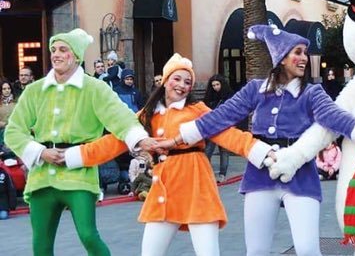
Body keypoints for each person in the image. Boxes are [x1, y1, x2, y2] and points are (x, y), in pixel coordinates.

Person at [172, 25, 355, 256]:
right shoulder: (255, 90)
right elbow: (221, 116)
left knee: (307, 249)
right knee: (257, 250)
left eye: (304, 53)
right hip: (259, 175)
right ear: (280, 56)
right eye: (297, 52)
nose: (304, 59)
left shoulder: (312, 92)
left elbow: (334, 116)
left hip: (301, 175)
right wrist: (178, 139)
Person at [63, 53, 266, 255]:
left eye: (188, 82)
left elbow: (227, 134)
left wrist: (259, 151)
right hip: (164, 190)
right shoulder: (148, 114)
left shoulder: (197, 110)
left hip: (197, 186)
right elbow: (116, 141)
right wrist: (71, 156)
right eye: (176, 79)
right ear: (165, 80)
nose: (182, 85)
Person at [4, 28, 155, 256]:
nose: (56, 54)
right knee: (41, 244)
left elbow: (121, 118)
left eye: (63, 50)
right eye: (53, 49)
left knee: (88, 236)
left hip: (79, 175)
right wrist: (41, 152)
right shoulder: (35, 91)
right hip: (42, 177)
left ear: (75, 56)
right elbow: (13, 131)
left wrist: (141, 140)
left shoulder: (95, 88)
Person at [203, 74, 234, 183]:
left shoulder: (229, 97)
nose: (215, 87)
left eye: (217, 84)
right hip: (212, 127)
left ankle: (222, 175)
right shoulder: (210, 97)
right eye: (213, 85)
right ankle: (205, 173)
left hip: (225, 127)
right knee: (208, 151)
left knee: (224, 152)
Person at [0, 79, 16, 150]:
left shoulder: (16, 102)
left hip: (15, 132)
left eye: (8, 88)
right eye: (4, 89)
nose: (7, 90)